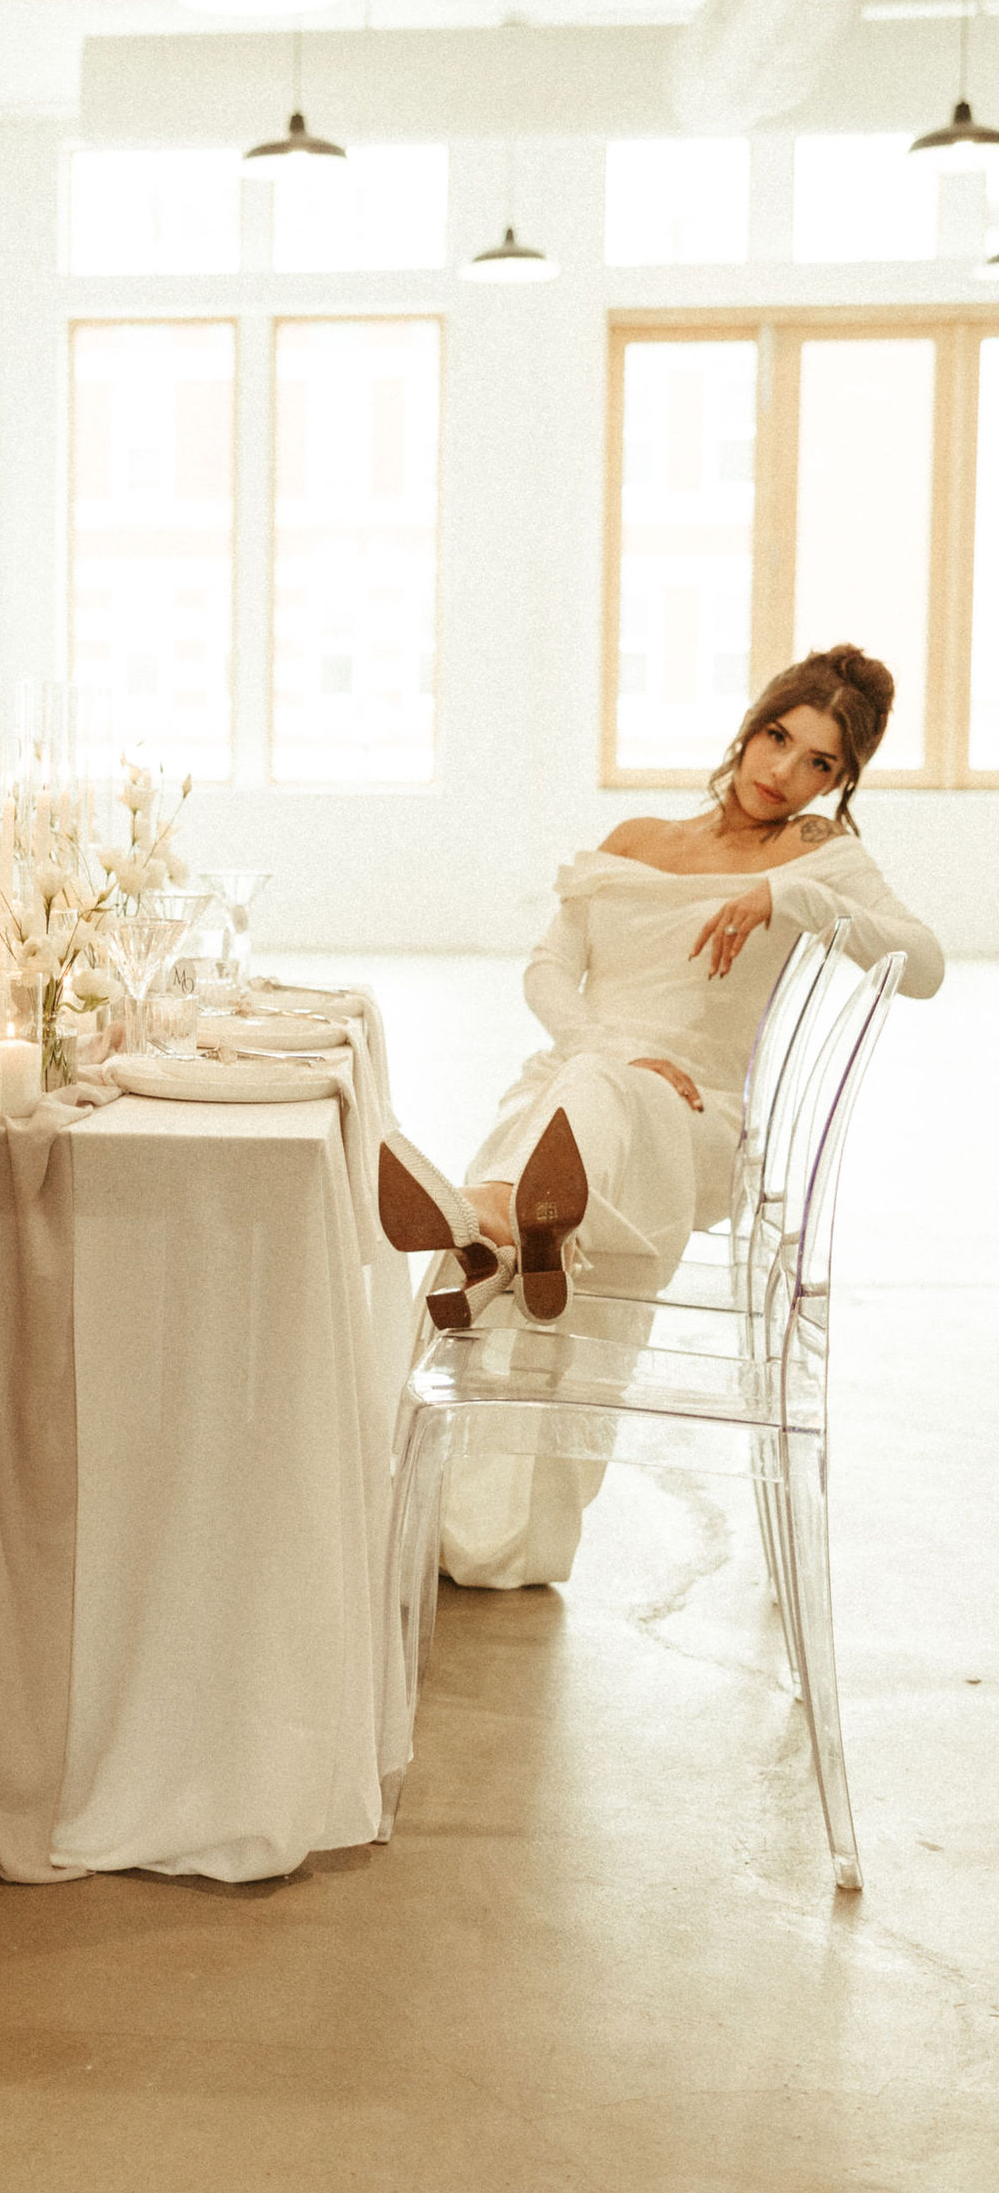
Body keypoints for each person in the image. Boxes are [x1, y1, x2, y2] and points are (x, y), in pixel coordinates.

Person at [376, 644, 944, 1589]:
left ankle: (487, 1218)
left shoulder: (821, 857)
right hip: (578, 1089)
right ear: (750, 726)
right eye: (778, 738)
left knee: (588, 1108)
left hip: (695, 1122)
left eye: (820, 763)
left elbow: (922, 965)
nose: (784, 772)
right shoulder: (637, 837)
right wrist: (605, 1045)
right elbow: (548, 970)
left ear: (838, 783)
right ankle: (474, 1510)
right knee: (582, 1107)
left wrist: (790, 892)